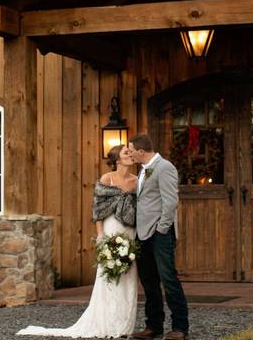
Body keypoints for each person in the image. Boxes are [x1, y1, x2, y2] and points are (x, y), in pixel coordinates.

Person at [17, 144, 139, 338]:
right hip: (111, 227)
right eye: (126, 152)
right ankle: (108, 323)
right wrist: (100, 235)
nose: (130, 155)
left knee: (128, 275)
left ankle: (124, 325)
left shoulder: (136, 181)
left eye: (130, 152)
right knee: (109, 273)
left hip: (129, 230)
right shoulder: (107, 179)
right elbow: (97, 209)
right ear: (117, 159)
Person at [126, 133, 188, 340]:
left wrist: (161, 229)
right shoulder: (143, 170)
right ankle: (154, 326)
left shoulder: (165, 167)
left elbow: (170, 202)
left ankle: (180, 327)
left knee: (169, 279)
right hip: (142, 234)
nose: (130, 153)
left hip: (159, 234)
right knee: (149, 282)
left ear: (141, 151)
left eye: (131, 150)